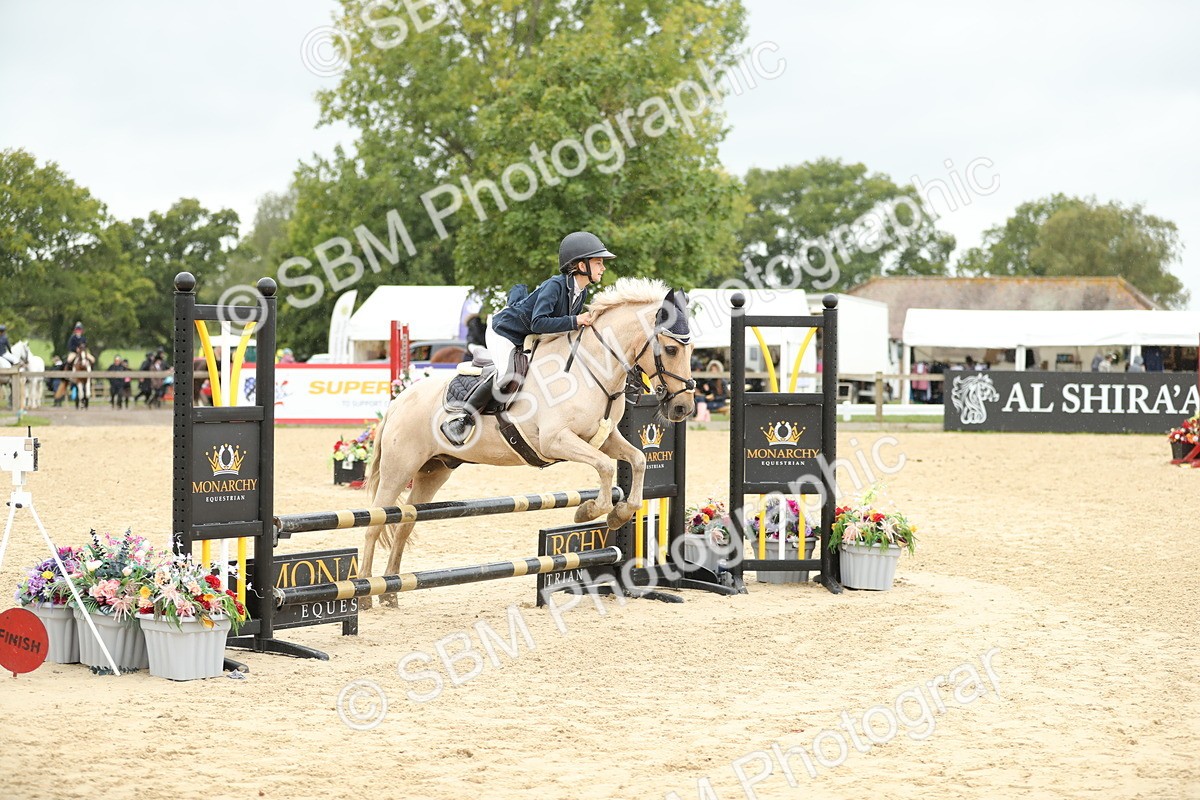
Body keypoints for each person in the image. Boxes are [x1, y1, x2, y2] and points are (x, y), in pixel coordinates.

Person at [440, 230, 616, 445]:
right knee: (507, 373)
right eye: (598, 262)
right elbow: (538, 322)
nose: (603, 267)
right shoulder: (555, 285)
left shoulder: (581, 292)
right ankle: (463, 419)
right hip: (504, 332)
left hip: (529, 337)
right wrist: (576, 321)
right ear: (581, 266)